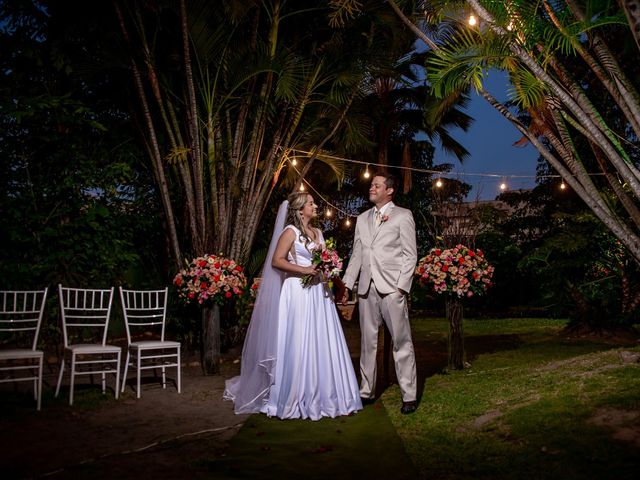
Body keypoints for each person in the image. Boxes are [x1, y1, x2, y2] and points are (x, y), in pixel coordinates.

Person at [224, 192, 362, 420]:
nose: (316, 205)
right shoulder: (290, 232)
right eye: (311, 203)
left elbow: (325, 263)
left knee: (321, 339)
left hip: (320, 293)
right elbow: (276, 261)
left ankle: (327, 394)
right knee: (299, 339)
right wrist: (305, 270)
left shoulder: (318, 233)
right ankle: (293, 392)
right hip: (298, 292)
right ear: (300, 210)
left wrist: (339, 284)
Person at [341, 172, 418, 414]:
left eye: (376, 185)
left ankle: (409, 395)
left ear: (390, 190)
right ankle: (366, 391)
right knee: (367, 343)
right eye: (371, 185)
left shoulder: (403, 216)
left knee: (401, 341)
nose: (371, 188)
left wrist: (401, 288)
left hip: (392, 288)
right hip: (366, 288)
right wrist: (347, 284)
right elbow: (357, 255)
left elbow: (410, 255)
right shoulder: (362, 219)